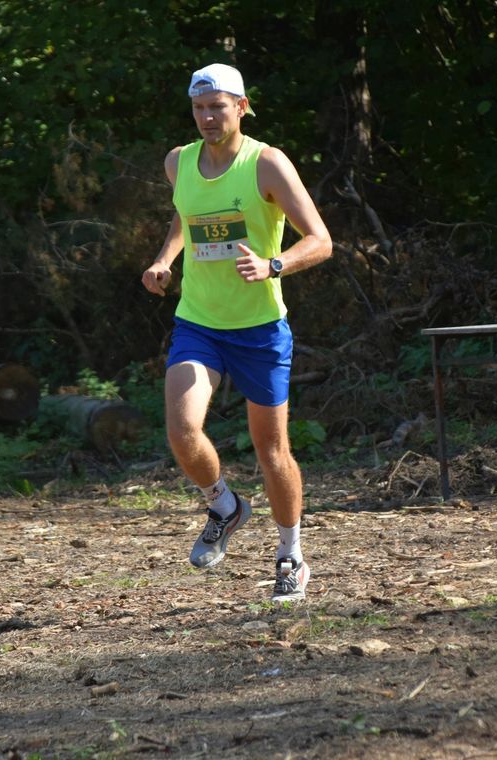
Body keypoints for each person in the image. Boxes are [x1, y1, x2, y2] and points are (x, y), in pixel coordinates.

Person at [140, 63, 332, 602]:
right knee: (182, 430)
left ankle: (290, 554)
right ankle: (224, 506)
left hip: (259, 330)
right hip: (199, 322)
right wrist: (163, 261)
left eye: (217, 107)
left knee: (272, 452)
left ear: (241, 107)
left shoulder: (266, 164)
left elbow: (320, 240)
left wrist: (273, 266)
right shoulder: (178, 163)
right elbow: (185, 217)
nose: (207, 117)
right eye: (199, 108)